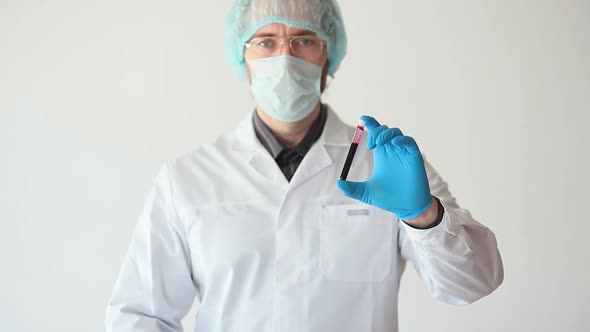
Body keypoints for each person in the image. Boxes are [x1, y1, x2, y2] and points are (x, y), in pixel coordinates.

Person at [105, 0, 504, 331]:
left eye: (303, 39)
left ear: (328, 54)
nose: (284, 57)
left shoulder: (384, 163)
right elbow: (140, 314)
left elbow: (471, 284)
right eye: (264, 41)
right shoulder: (187, 179)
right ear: (242, 56)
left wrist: (424, 216)